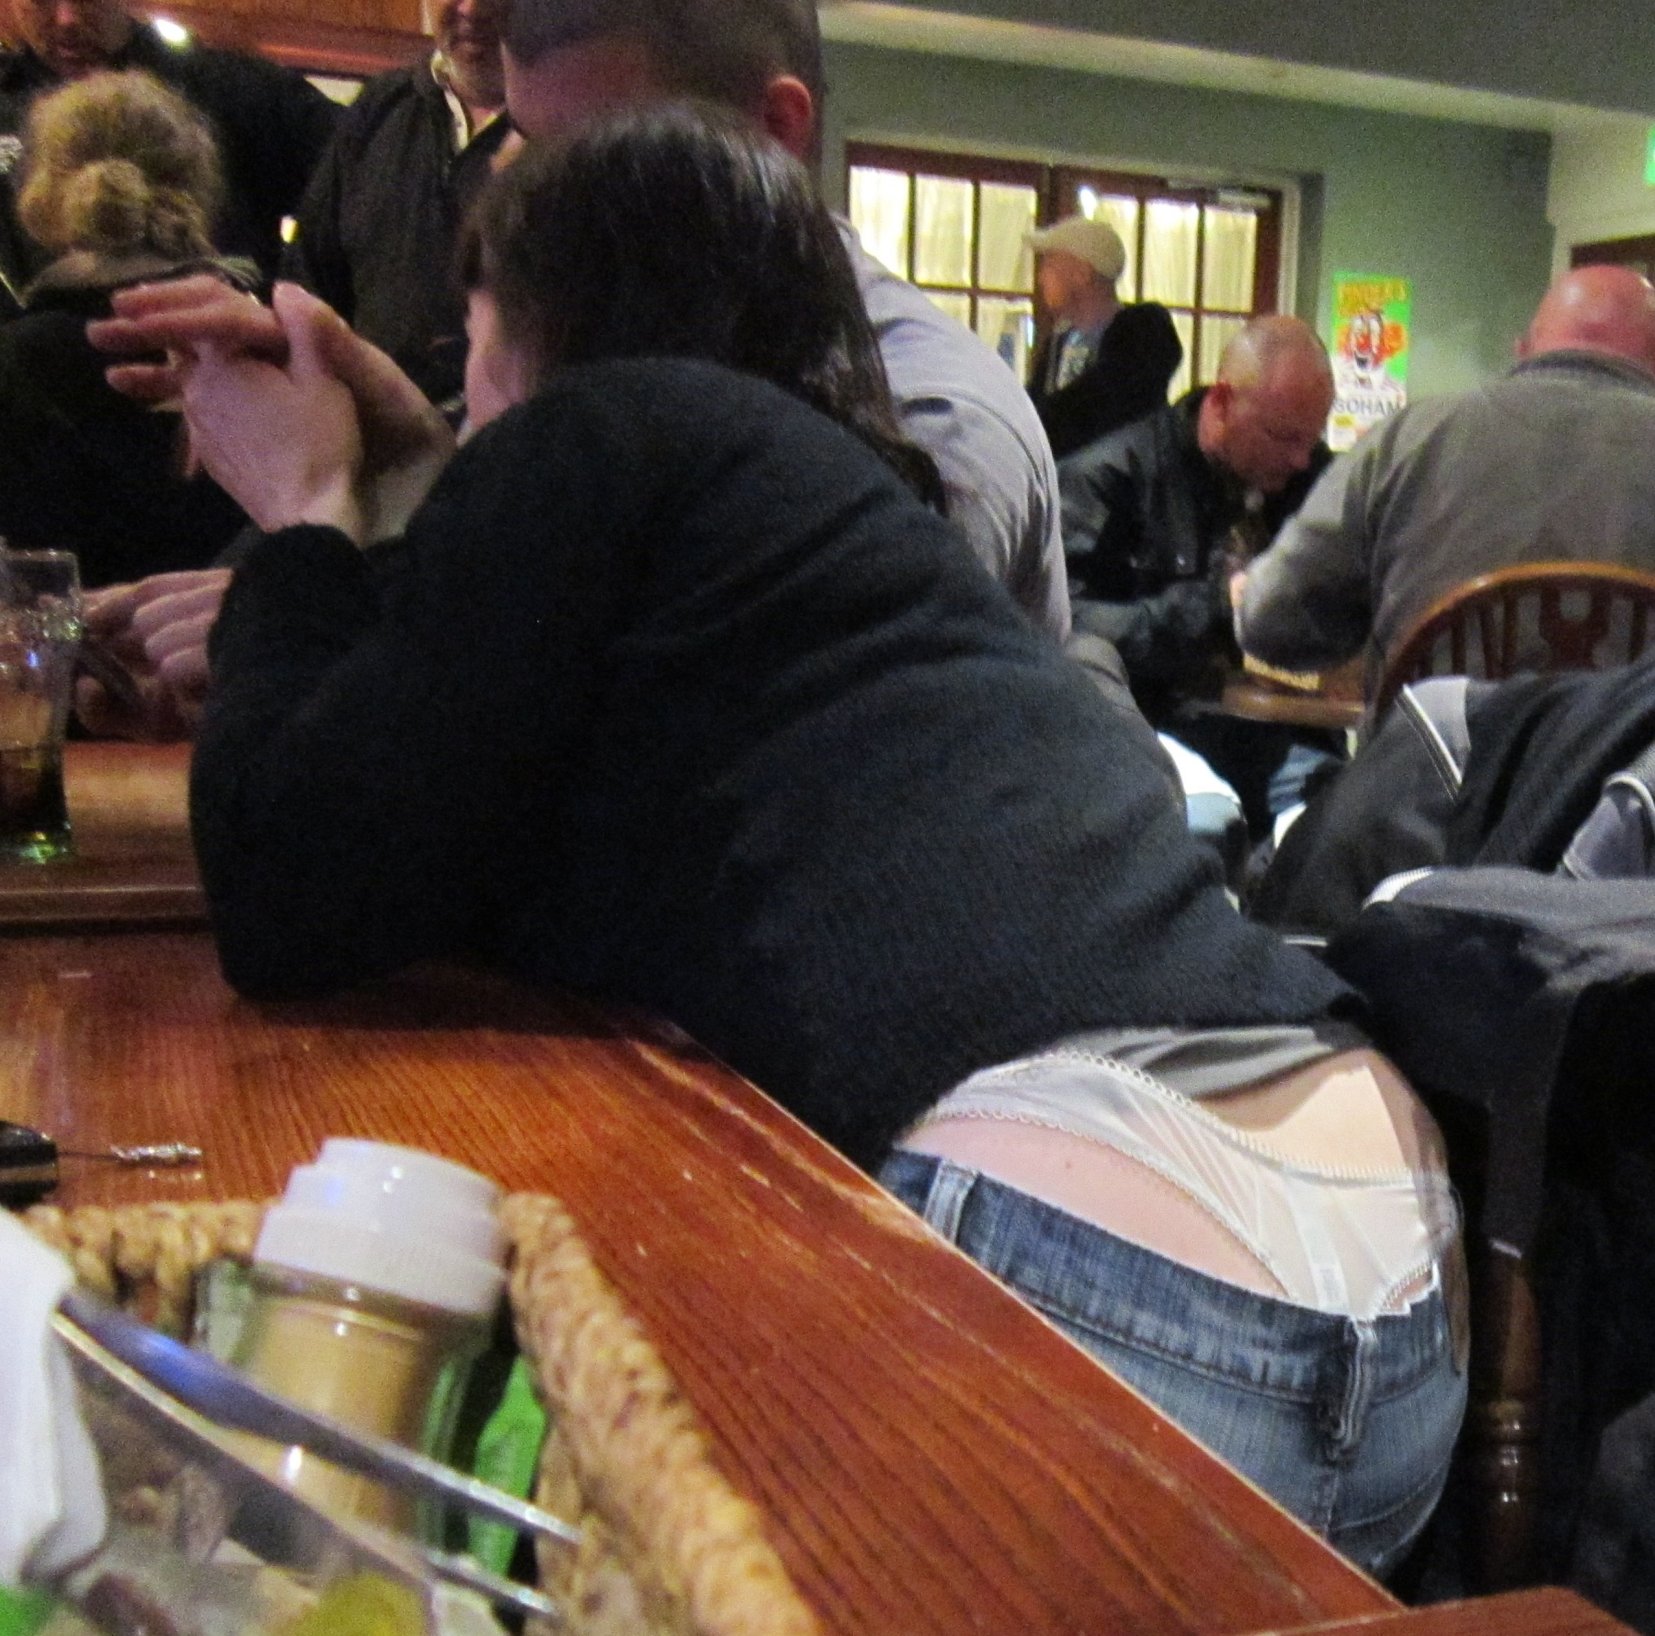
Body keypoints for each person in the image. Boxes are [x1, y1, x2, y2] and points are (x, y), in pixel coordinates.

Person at [166, 105, 1464, 1575]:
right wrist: (409, 490)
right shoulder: (838, 517)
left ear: (533, 334)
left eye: (470, 352)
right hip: (1394, 1291)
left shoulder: (612, 430)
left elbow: (283, 877)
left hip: (1106, 1277)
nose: (463, 402)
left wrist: (302, 507)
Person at [1236, 265, 1655, 697]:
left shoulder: (1404, 441)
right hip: (1633, 743)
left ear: (1521, 351)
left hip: (1430, 741)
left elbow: (1270, 620)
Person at [1059, 316, 1336, 833]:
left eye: (1312, 439)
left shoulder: (1312, 480)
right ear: (1222, 402)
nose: (1301, 458)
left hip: (1281, 737)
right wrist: (1218, 604)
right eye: (1283, 437)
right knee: (1212, 824)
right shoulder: (1110, 477)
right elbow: (1066, 627)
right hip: (1153, 734)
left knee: (1346, 815)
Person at [0, 70, 247, 583]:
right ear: (194, 182)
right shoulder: (257, 338)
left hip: (75, 629)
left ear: (42, 192)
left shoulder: (18, 358)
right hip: (239, 624)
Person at [0, 0, 337, 308]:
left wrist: (294, 303)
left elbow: (353, 188)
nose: (68, 19)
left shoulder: (234, 88)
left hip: (218, 340)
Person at [281, 0, 511, 406]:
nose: (472, 9)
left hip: (511, 433)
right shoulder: (381, 107)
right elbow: (309, 284)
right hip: (373, 425)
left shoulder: (571, 126)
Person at [1024, 213, 1182, 460]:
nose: (1041, 277)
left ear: (1082, 273)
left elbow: (1101, 406)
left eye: (1050, 265)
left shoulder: (1141, 337)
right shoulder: (1058, 342)